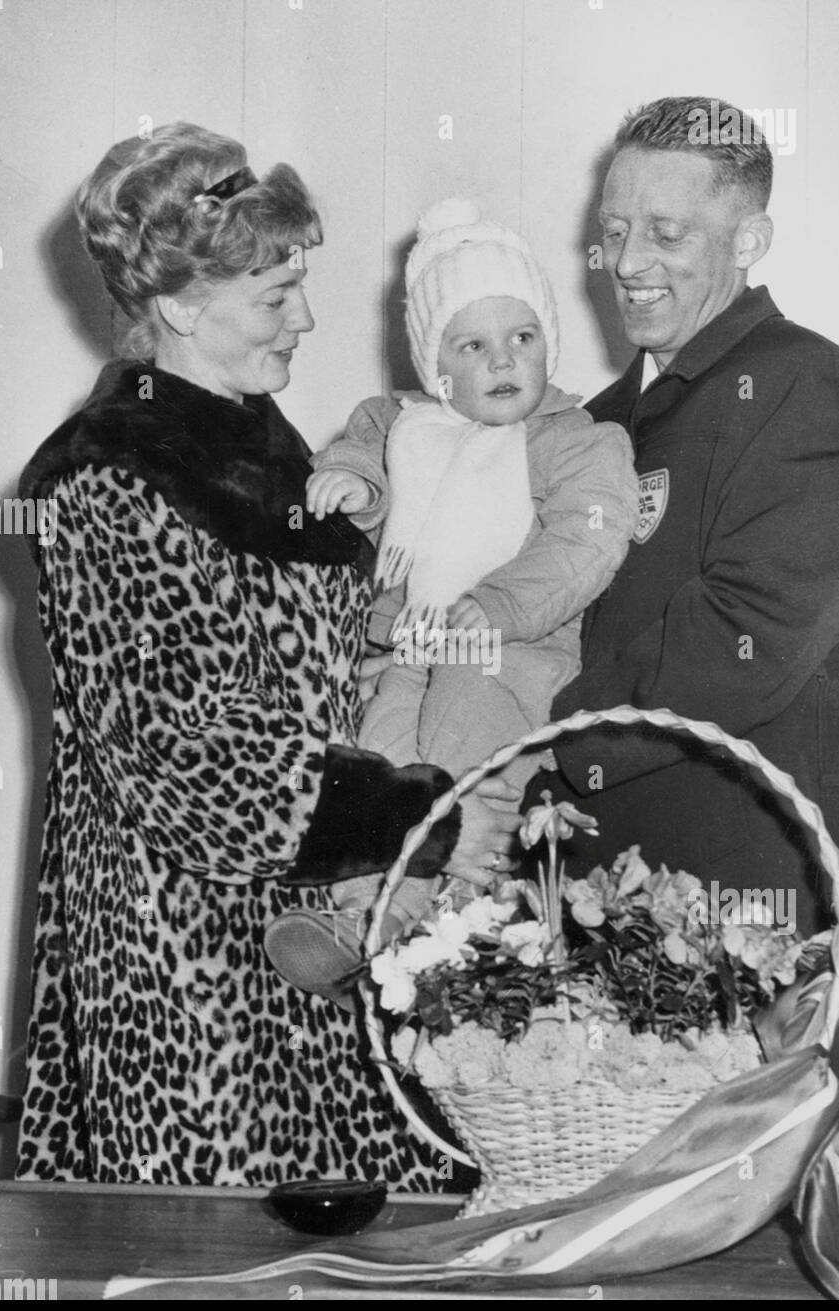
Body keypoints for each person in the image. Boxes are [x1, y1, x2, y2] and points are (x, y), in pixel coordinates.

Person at [14, 124, 517, 1186]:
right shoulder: (105, 472)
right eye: (273, 296)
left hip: (308, 936)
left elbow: (308, 677)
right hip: (188, 971)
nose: (307, 317)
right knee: (205, 1257)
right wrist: (413, 813)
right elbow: (192, 760)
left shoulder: (260, 440)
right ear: (182, 305)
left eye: (300, 284)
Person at [537, 96, 839, 952]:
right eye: (614, 229)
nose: (626, 262)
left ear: (748, 242)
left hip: (757, 889)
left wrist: (551, 743)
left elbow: (751, 630)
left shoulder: (811, 389)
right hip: (592, 894)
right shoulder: (592, 425)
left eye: (666, 234)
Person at [264, 200, 638, 1002]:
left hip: (512, 651)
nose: (504, 360)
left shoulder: (577, 438)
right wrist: (354, 482)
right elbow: (361, 450)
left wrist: (502, 603)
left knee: (467, 763)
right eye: (474, 345)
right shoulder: (403, 424)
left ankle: (463, 927)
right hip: (406, 647)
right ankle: (364, 919)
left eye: (524, 338)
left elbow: (589, 536)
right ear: (438, 367)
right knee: (381, 763)